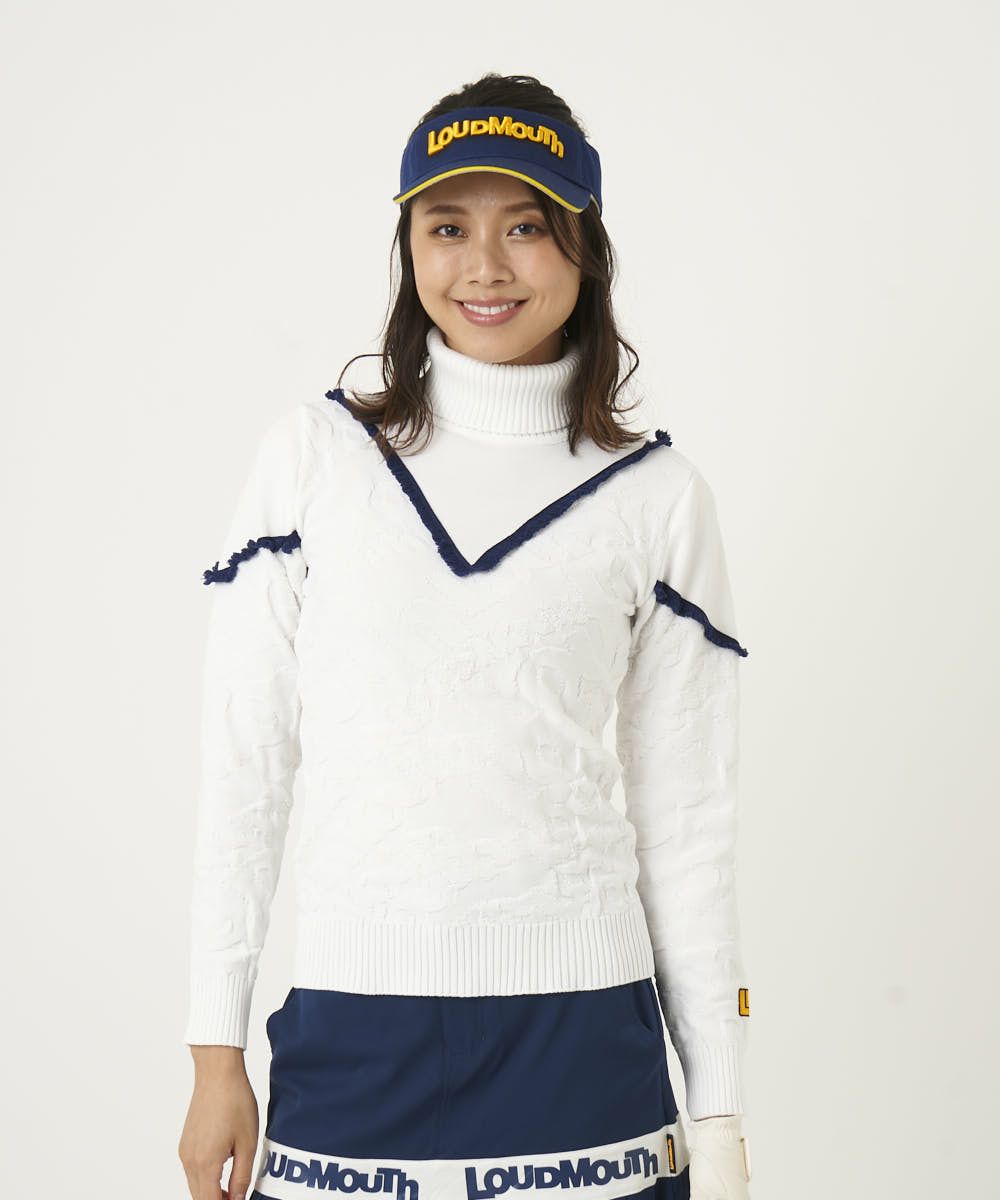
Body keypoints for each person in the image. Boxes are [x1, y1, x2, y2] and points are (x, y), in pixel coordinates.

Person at [177, 72, 754, 1200]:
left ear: (584, 249)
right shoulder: (314, 461)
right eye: (447, 227)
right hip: (352, 1034)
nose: (484, 266)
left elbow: (688, 821)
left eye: (526, 227)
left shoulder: (657, 497)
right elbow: (245, 771)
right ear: (409, 247)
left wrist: (721, 1110)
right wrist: (215, 1052)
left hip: (586, 1045)